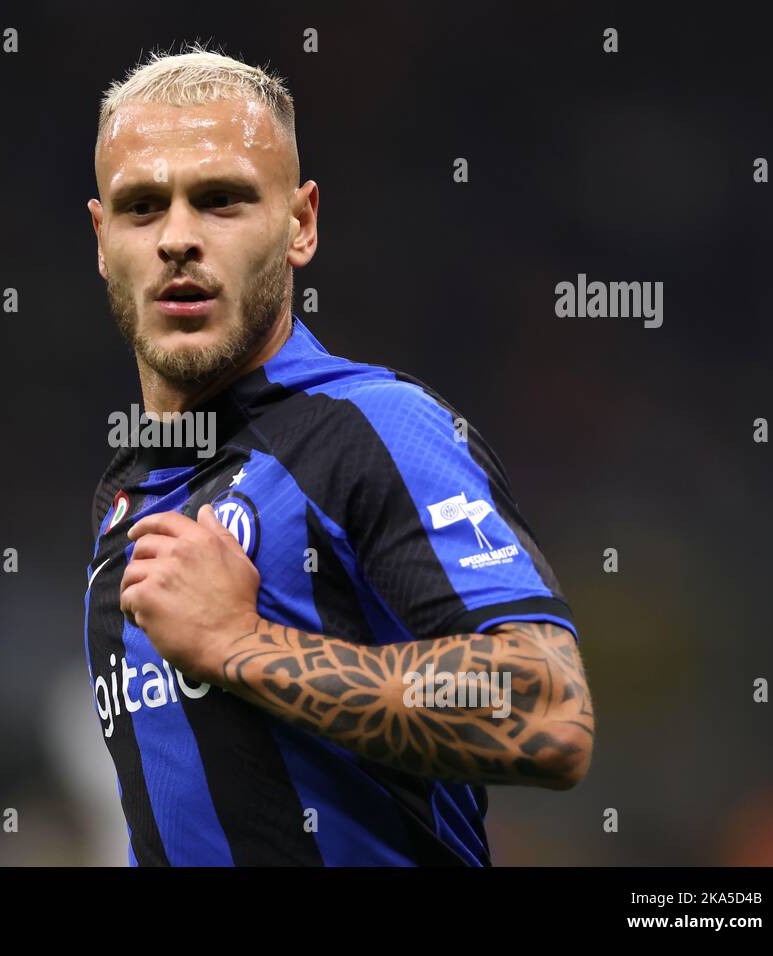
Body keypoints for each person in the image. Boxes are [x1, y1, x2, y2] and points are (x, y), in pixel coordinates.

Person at [83, 43, 594, 866]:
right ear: (103, 239)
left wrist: (238, 645)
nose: (178, 236)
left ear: (301, 224)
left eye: (221, 201)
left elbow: (542, 708)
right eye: (143, 207)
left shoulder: (372, 427)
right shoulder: (129, 499)